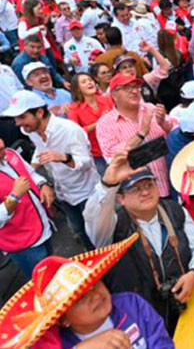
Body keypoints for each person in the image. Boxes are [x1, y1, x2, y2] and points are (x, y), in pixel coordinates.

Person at [83, 151, 194, 335]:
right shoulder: (112, 227)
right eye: (136, 189)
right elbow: (92, 219)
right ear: (121, 199)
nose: (145, 192)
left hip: (185, 301)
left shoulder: (175, 210)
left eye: (149, 185)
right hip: (141, 319)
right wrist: (107, 184)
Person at [0, 235, 175, 349]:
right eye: (80, 298)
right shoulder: (59, 344)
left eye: (95, 284)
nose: (96, 296)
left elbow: (162, 343)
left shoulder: (131, 304)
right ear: (63, 319)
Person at [9, 86, 98, 249]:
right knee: (80, 232)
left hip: (86, 193)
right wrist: (30, 168)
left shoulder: (70, 130)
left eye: (22, 117)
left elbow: (86, 163)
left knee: (98, 235)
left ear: (40, 113)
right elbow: (40, 148)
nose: (18, 123)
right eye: (16, 118)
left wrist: (64, 157)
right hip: (63, 193)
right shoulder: (31, 130)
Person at [96, 74, 175, 199]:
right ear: (114, 95)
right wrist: (141, 134)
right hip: (141, 195)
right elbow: (112, 157)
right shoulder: (105, 124)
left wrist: (163, 124)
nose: (134, 91)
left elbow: (176, 135)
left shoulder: (151, 108)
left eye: (136, 87)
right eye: (127, 88)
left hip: (171, 184)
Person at [0, 105, 54, 277]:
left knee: (55, 272)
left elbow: (30, 173)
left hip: (42, 226)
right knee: (45, 284)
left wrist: (43, 184)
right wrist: (14, 196)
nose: (3, 151)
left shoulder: (10, 154)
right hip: (24, 244)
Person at [67, 72, 114, 174]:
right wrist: (99, 122)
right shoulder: (74, 108)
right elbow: (76, 133)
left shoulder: (107, 100)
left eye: (90, 80)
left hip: (115, 147)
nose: (89, 83)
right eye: (84, 82)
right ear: (78, 89)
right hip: (96, 154)